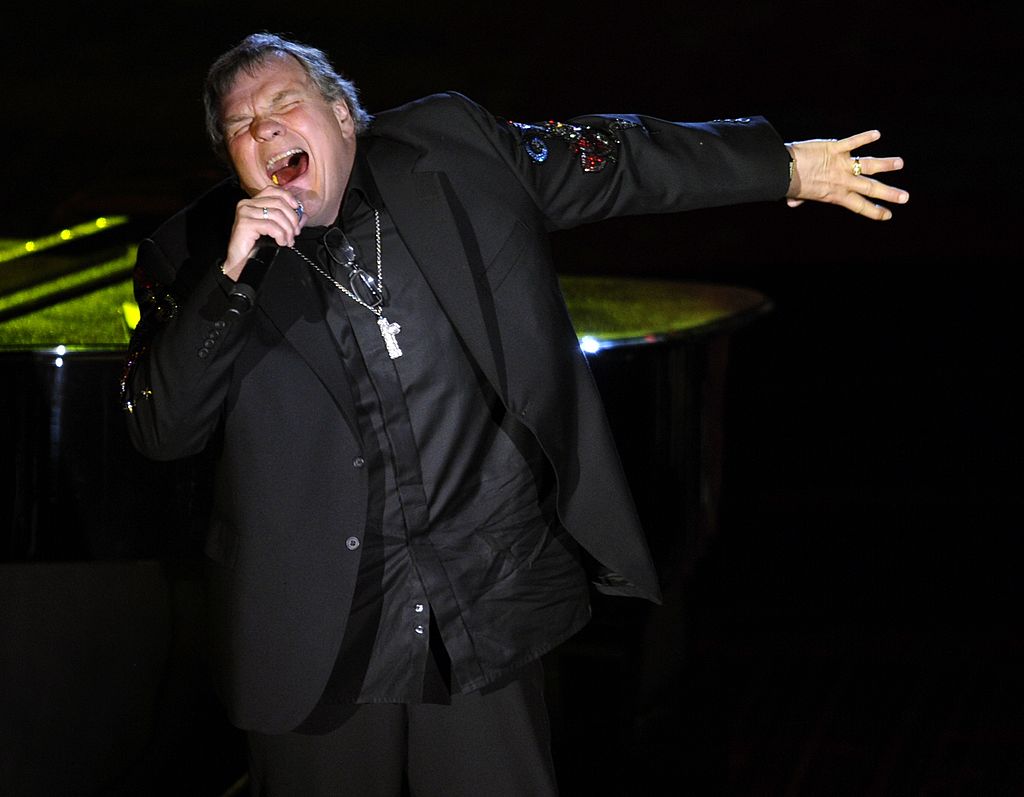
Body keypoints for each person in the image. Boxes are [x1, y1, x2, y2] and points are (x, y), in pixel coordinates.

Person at [122, 32, 908, 797]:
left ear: (340, 115)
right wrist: (230, 279)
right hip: (317, 635)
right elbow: (162, 430)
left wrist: (782, 166)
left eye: (283, 104)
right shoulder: (189, 257)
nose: (264, 129)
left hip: (480, 605)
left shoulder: (454, 151)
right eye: (241, 126)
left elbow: (615, 156)